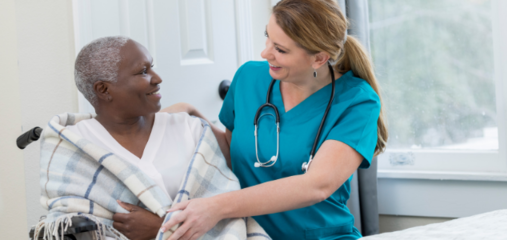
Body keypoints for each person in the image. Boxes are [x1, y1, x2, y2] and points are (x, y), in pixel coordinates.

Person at [161, 0, 388, 239]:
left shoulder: (357, 101)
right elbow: (231, 149)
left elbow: (317, 185)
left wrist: (216, 207)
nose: (265, 52)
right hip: (247, 234)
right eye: (267, 37)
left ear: (319, 58)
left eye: (280, 49)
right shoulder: (248, 77)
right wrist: (194, 118)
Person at [36, 36, 266, 240]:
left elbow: (226, 214)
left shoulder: (190, 129)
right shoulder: (72, 145)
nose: (157, 78)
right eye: (143, 71)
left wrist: (161, 228)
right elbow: (73, 227)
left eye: (152, 67)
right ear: (104, 90)